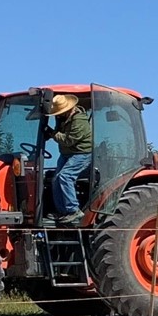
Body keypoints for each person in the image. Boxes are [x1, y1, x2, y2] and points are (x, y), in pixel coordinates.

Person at [45, 93, 93, 227]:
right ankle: (62, 211)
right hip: (66, 154)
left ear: (67, 110)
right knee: (56, 179)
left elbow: (68, 140)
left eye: (59, 112)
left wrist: (52, 134)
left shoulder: (79, 121)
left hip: (81, 153)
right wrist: (49, 133)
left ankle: (73, 210)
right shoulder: (61, 118)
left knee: (65, 177)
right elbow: (58, 133)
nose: (57, 115)